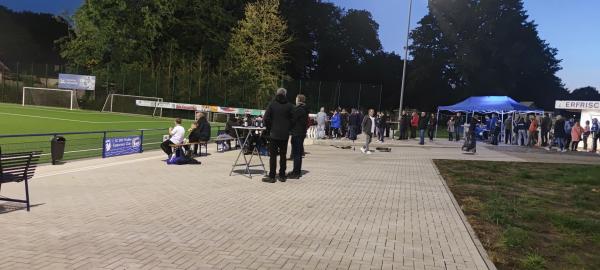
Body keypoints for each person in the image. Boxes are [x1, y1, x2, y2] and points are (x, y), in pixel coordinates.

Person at [262, 88, 294, 183]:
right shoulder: (290, 106)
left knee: (273, 156)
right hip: (284, 134)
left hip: (274, 133)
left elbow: (266, 118)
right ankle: (282, 175)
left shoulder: (272, 104)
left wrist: (270, 128)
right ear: (285, 94)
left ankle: (272, 176)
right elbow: (293, 119)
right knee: (283, 155)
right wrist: (288, 128)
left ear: (277, 94)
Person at [288, 94, 309, 179]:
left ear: (299, 100)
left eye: (296, 99)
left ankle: (296, 173)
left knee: (296, 154)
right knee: (298, 153)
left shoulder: (299, 109)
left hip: (297, 133)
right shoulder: (304, 109)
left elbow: (292, 120)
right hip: (301, 133)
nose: (295, 100)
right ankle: (296, 171)